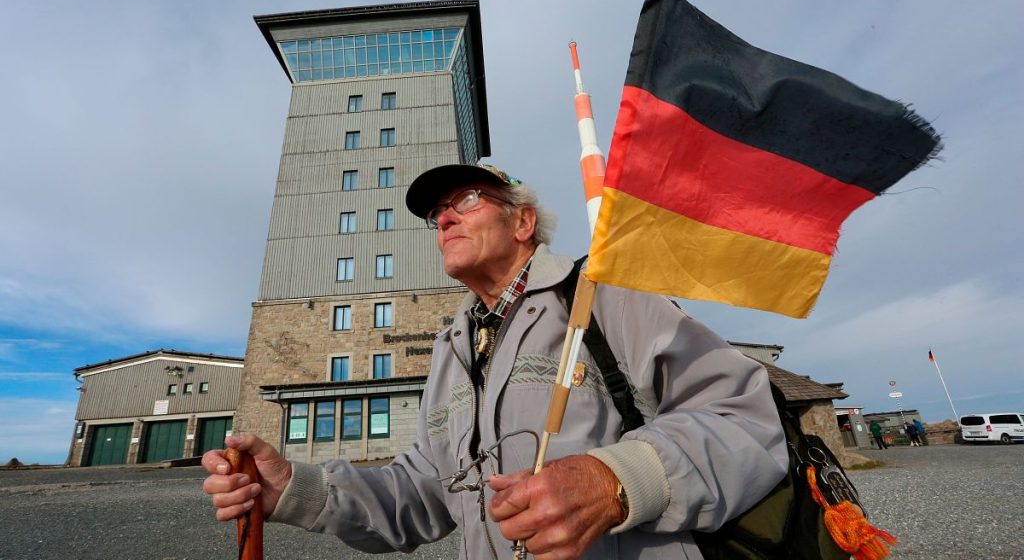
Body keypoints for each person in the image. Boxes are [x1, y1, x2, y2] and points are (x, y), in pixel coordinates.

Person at [202, 163, 788, 559]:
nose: (444, 218)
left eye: (467, 201)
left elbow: (745, 422)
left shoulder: (605, 296)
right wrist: (295, 490)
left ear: (523, 222)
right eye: (437, 215)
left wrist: (616, 480)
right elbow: (423, 492)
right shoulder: (451, 347)